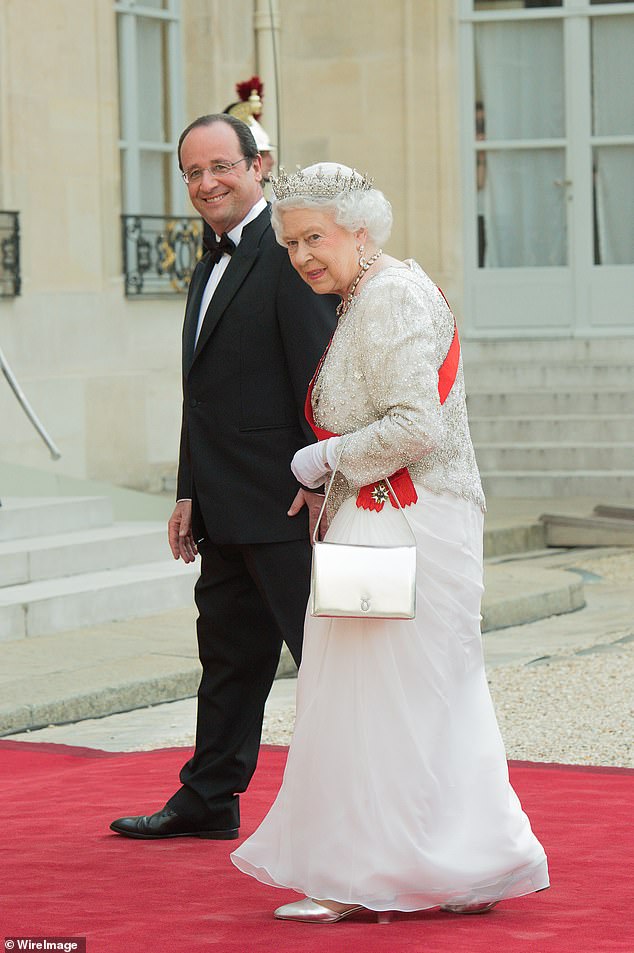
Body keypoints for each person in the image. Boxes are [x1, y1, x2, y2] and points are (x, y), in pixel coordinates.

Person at [230, 163, 549, 921]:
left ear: (360, 231)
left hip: (398, 521)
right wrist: (330, 476)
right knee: (424, 695)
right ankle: (461, 865)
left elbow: (415, 424)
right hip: (396, 520)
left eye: (316, 237)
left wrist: (326, 458)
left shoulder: (390, 296)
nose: (303, 254)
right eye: (291, 242)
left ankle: (358, 879)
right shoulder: (370, 294)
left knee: (368, 698)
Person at [109, 118, 336, 841]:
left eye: (221, 167)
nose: (206, 183)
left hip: (287, 503)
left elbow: (319, 374)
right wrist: (187, 491)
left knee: (330, 663)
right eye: (192, 171)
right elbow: (201, 390)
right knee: (228, 660)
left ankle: (362, 810)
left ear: (259, 165)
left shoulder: (289, 250)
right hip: (223, 503)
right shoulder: (209, 259)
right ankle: (209, 797)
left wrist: (320, 474)